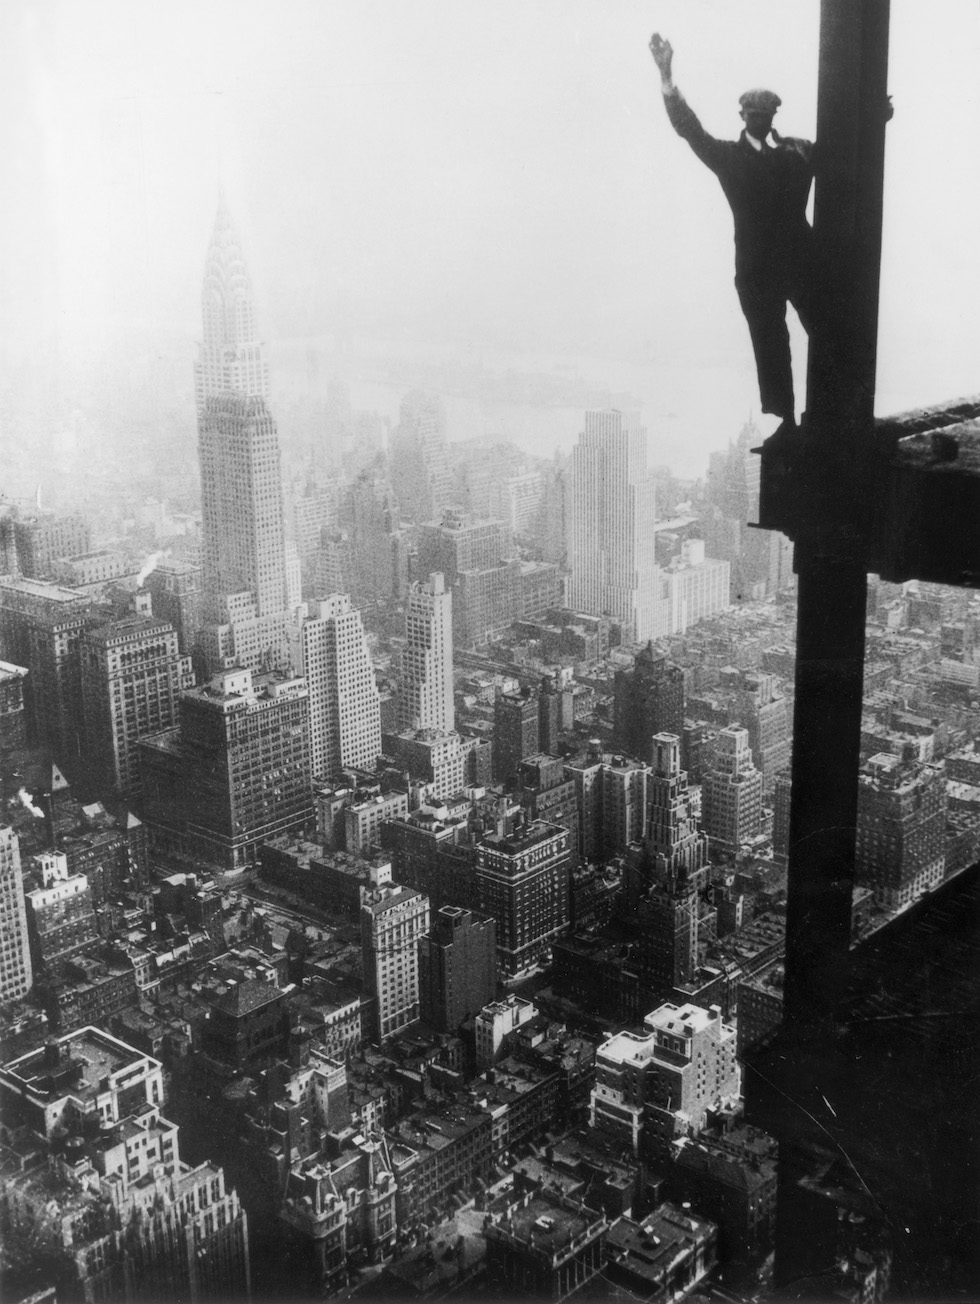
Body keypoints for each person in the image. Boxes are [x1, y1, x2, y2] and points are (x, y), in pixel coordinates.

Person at [649, 33, 818, 427]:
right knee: (770, 346)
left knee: (826, 332)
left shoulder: (797, 153)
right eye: (753, 113)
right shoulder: (728, 157)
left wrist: (875, 117)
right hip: (757, 272)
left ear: (773, 116)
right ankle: (787, 421)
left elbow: (842, 151)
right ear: (742, 116)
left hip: (801, 263)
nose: (760, 118)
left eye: (766, 113)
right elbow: (689, 129)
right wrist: (666, 77)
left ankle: (823, 413)